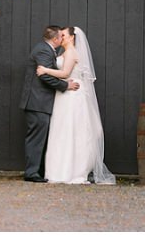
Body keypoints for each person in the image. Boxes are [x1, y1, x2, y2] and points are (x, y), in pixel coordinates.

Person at [36, 26, 116, 185]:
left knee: (71, 130)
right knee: (61, 130)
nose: (61, 37)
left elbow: (65, 73)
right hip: (64, 94)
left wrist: (45, 70)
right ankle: (57, 170)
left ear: (72, 37)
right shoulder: (64, 52)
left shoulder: (72, 52)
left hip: (72, 95)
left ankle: (71, 171)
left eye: (64, 35)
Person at [18, 25, 80, 183]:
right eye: (61, 36)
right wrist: (65, 86)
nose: (62, 39)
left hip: (41, 102)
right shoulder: (43, 50)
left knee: (40, 138)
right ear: (55, 39)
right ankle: (31, 173)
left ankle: (38, 171)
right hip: (37, 101)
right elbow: (44, 77)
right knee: (36, 138)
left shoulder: (48, 50)